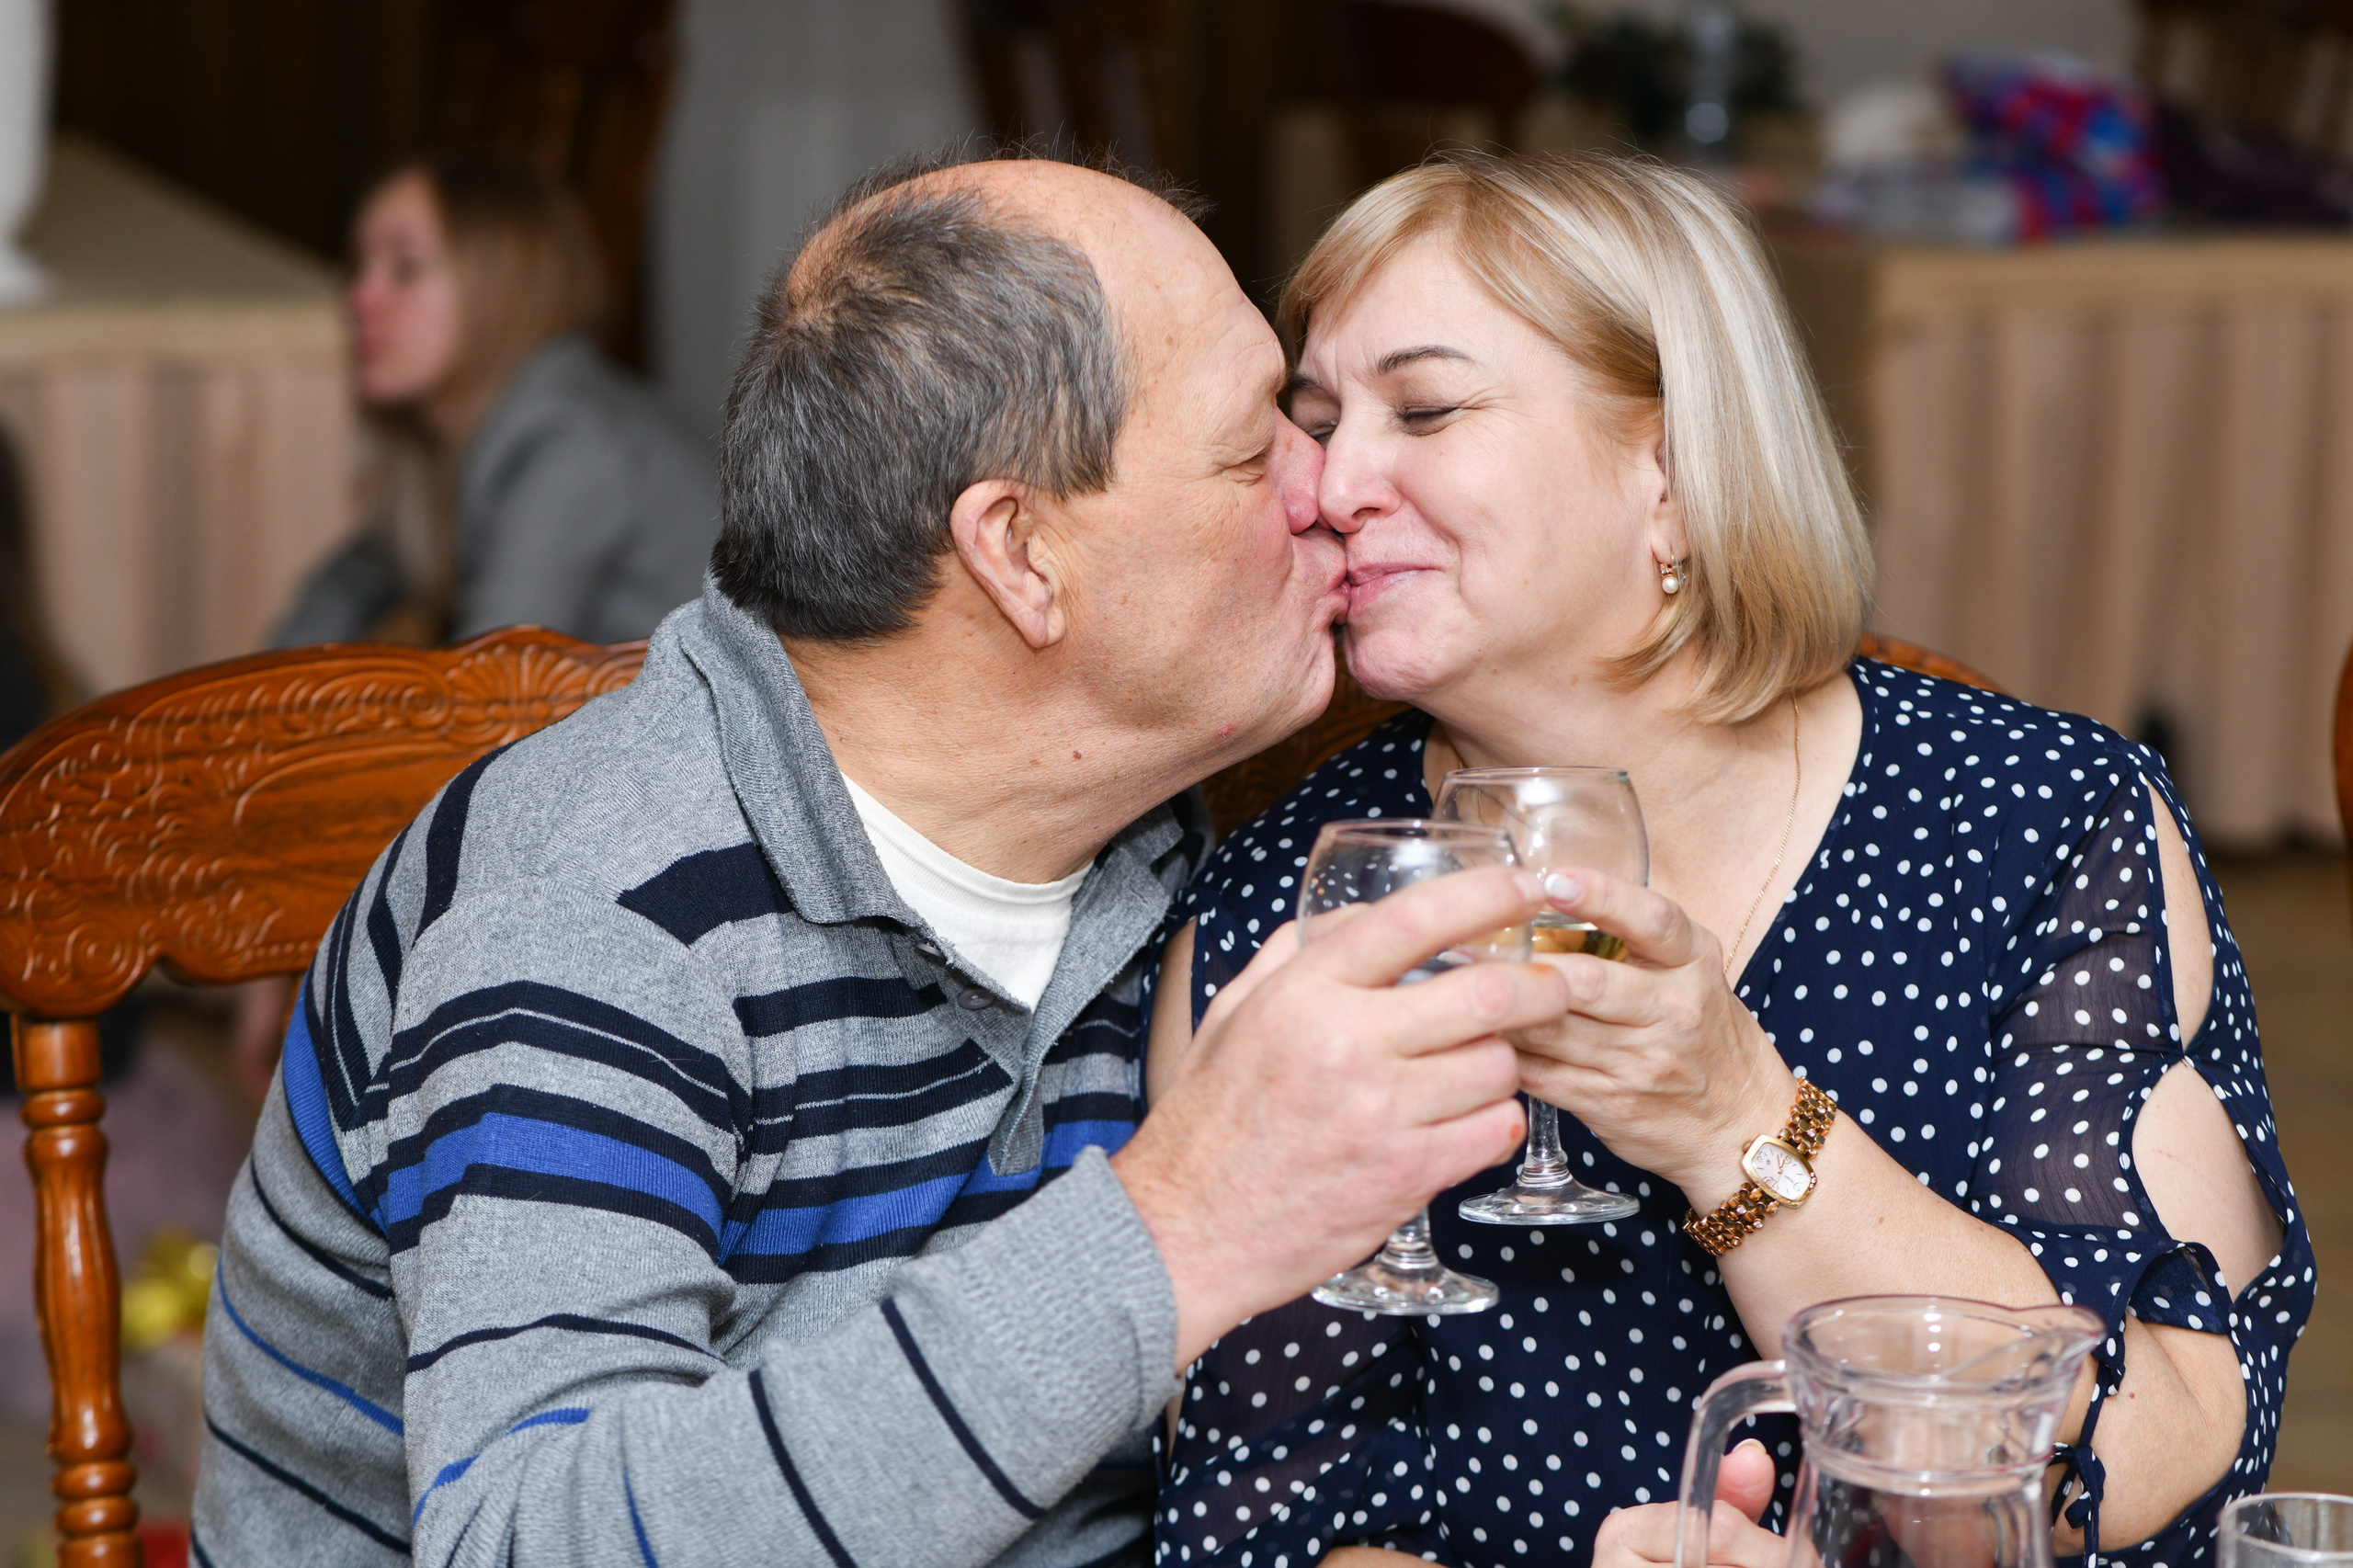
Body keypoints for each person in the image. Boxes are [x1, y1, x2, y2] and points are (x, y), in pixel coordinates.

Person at [191, 147, 1579, 1567]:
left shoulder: (1167, 836)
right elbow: (529, 1541)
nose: (1334, 484)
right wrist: (1176, 1227)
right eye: (1257, 446)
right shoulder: (595, 913)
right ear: (1020, 557)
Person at [1150, 151, 2305, 1568]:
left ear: (1676, 472)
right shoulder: (1294, 895)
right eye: (1316, 420)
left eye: (1427, 407)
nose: (1328, 483)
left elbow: (2168, 1451)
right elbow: (1265, 1515)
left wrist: (1732, 1115)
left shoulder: (2038, 817)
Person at [272, 156, 717, 650]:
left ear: (499, 286)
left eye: (405, 268)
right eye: (358, 267)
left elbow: (493, 700)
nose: (359, 297)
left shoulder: (567, 440)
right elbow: (353, 580)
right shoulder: (467, 434)